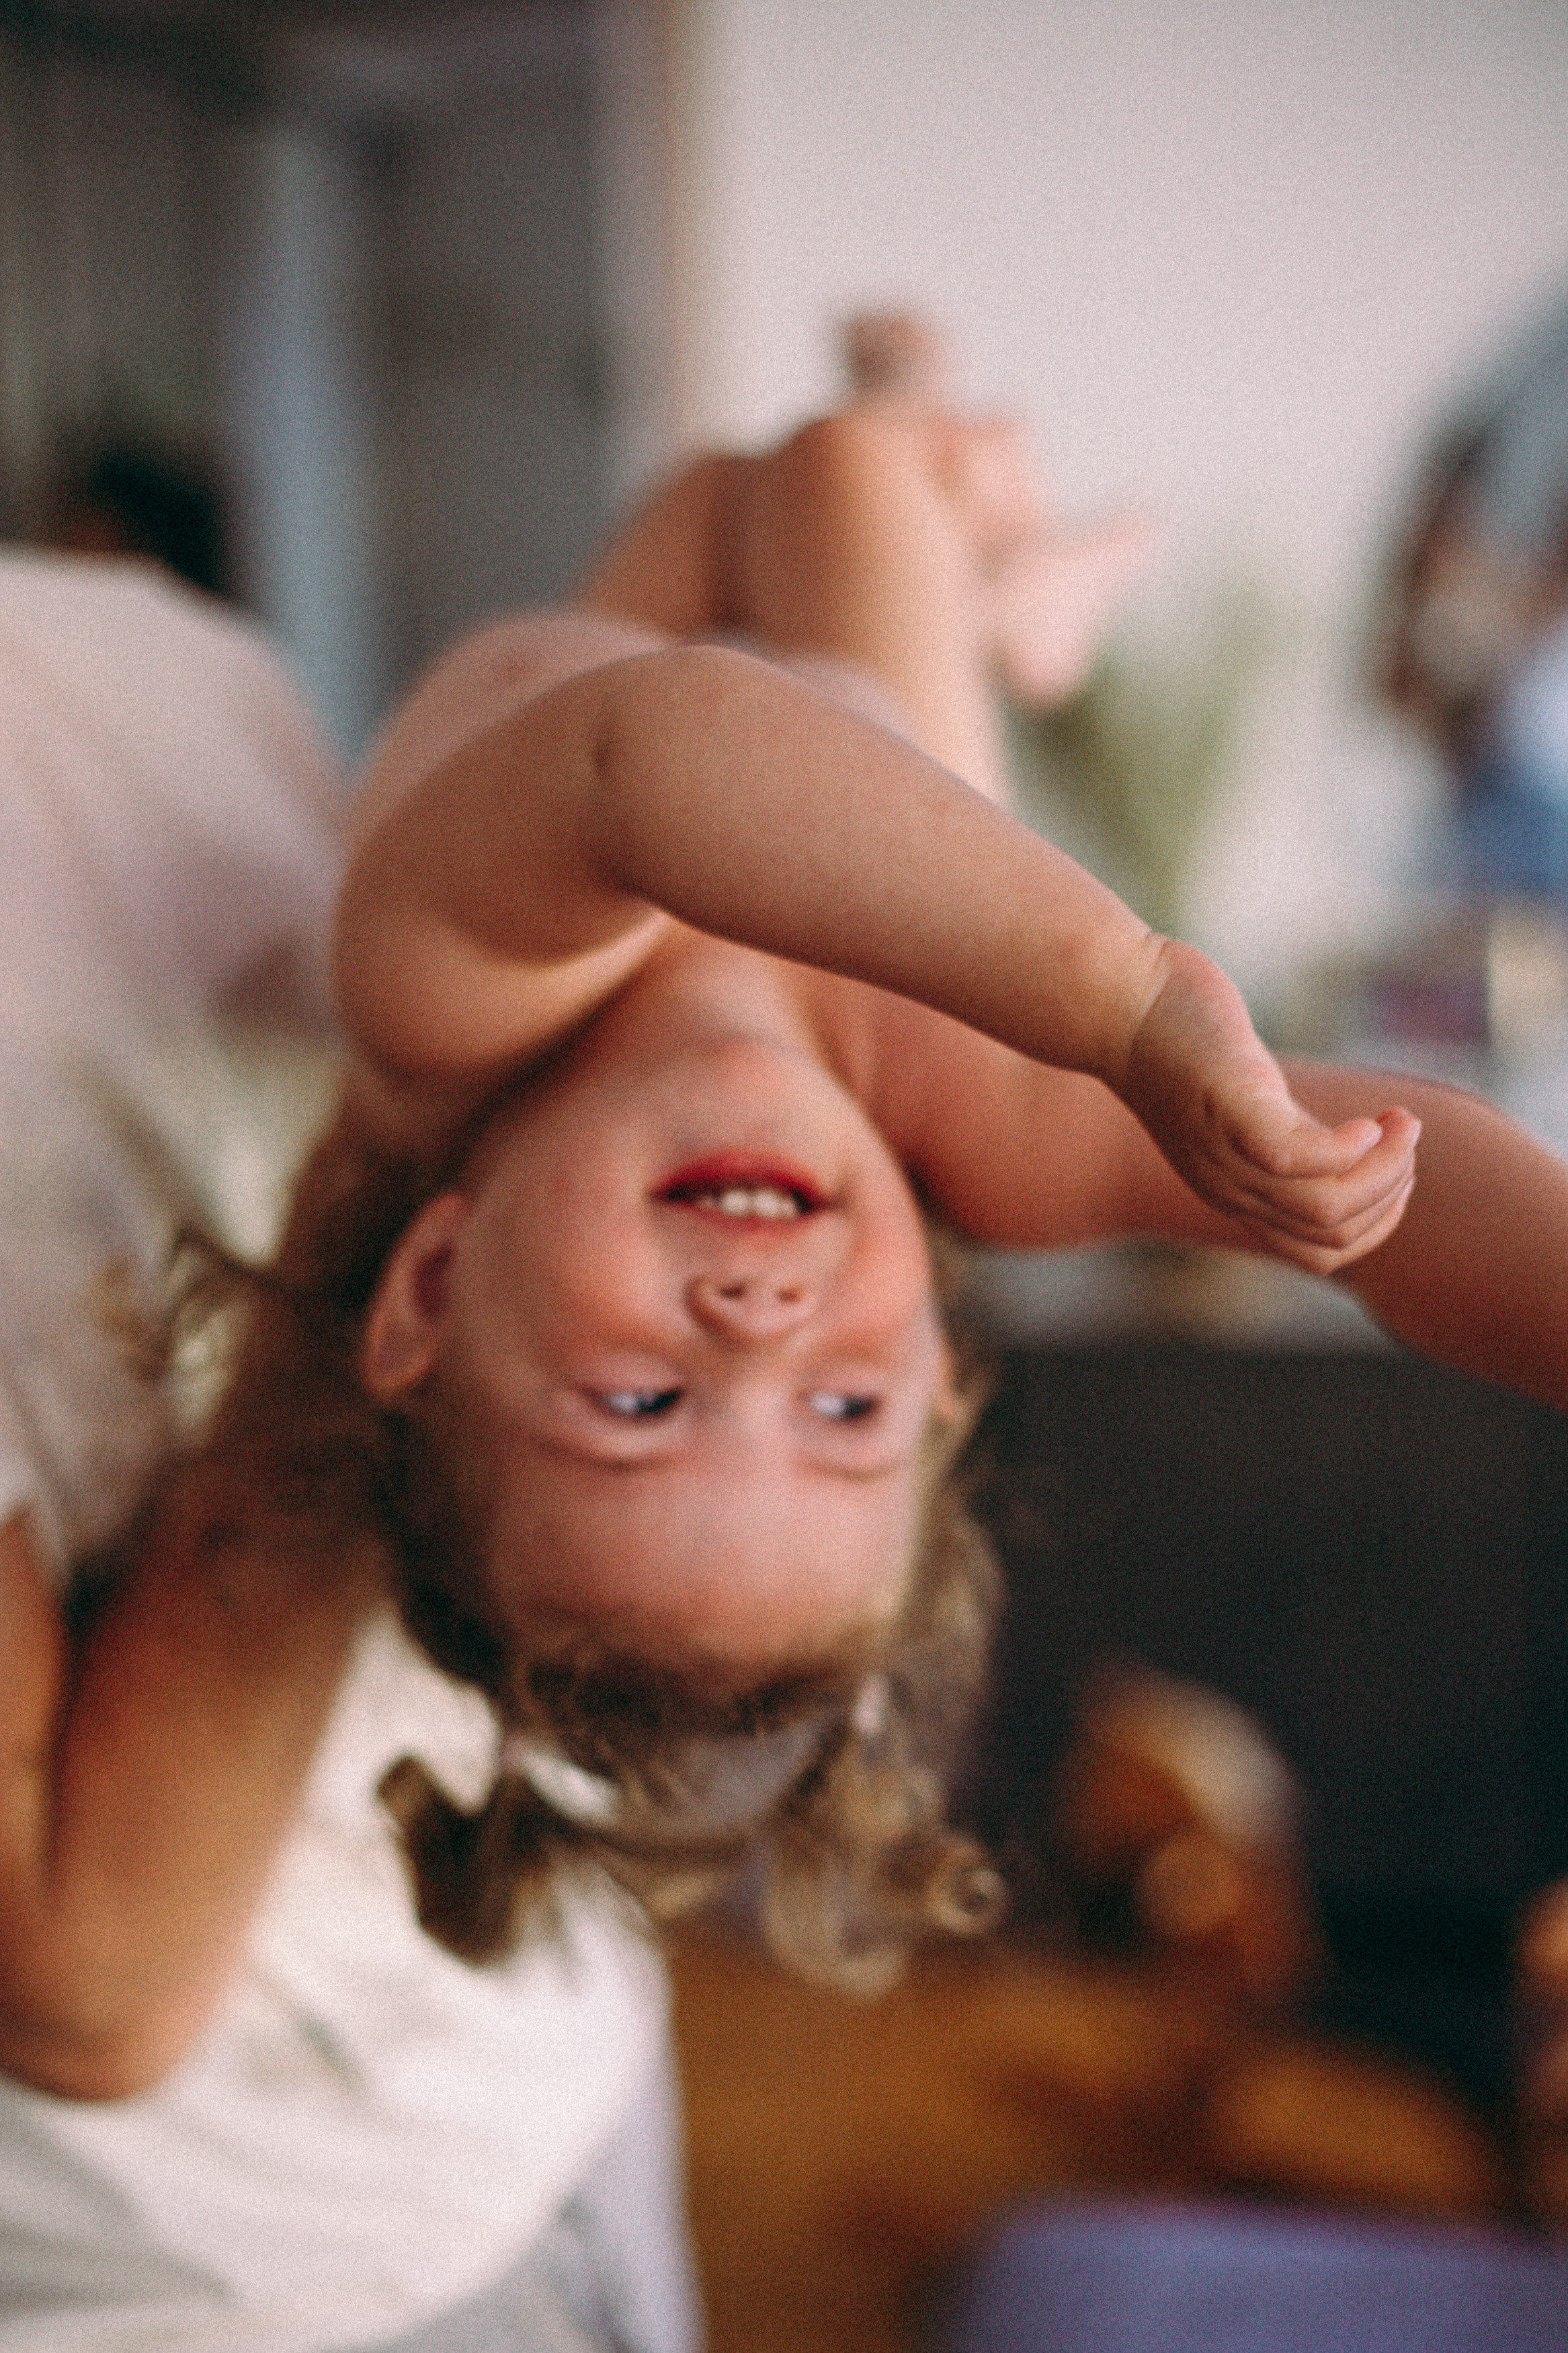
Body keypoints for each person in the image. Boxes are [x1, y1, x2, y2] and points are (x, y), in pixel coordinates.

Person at [6, 328, 1568, 2349]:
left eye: (643, 1399)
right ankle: (991, 564)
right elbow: (1394, 1191)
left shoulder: (436, 999)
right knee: (849, 483)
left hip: (630, 683)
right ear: (937, 1359)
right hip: (847, 740)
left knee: (812, 491)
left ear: (424, 1280)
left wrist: (1114, 998)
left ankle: (997, 558)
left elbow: (647, 759)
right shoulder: (970, 1109)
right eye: (841, 1410)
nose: (755, 1327)